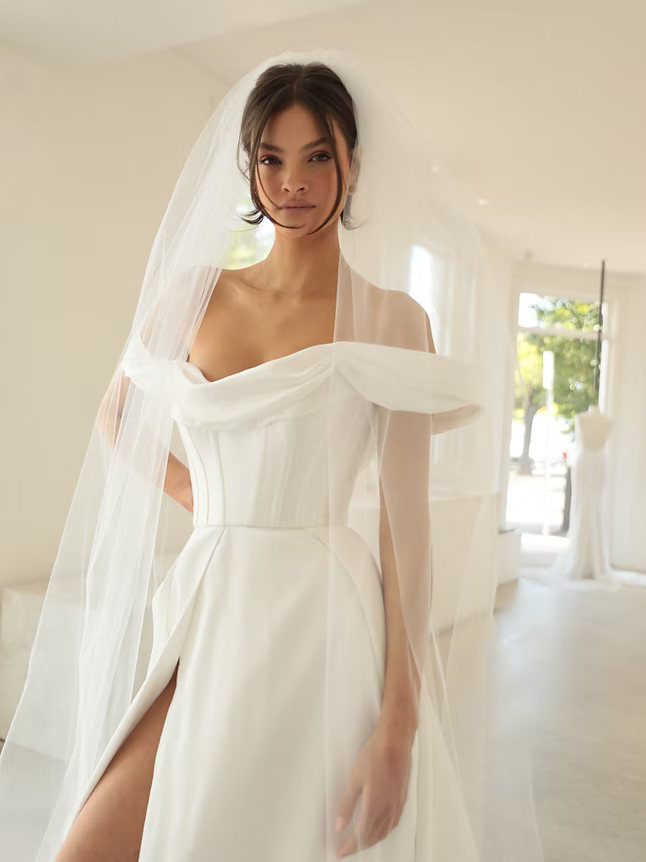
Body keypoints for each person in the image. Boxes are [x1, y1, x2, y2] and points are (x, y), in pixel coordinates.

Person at [0, 50, 544, 861]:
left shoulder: (394, 319)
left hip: (321, 621)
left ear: (353, 164)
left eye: (318, 156)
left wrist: (401, 720)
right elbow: (120, 414)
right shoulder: (196, 290)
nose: (294, 181)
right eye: (272, 158)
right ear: (249, 167)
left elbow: (405, 531)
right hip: (209, 595)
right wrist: (208, 501)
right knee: (96, 840)